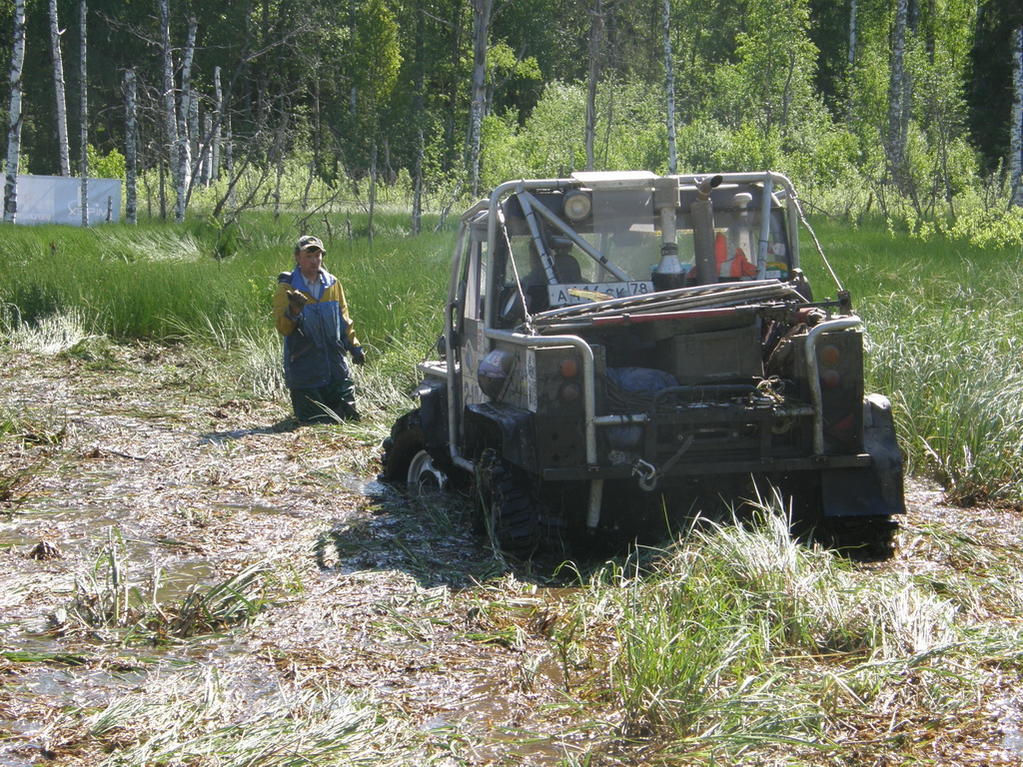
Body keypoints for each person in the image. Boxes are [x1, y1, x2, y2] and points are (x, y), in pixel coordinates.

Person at [273, 234, 365, 423]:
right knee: (314, 425)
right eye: (309, 256)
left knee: (350, 421)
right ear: (298, 258)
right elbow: (283, 328)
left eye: (318, 256)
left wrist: (355, 347)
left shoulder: (332, 283)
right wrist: (294, 311)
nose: (314, 261)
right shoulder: (287, 287)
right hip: (305, 373)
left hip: (335, 370)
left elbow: (344, 319)